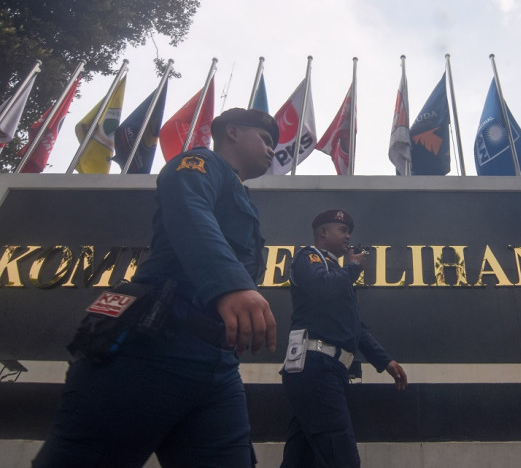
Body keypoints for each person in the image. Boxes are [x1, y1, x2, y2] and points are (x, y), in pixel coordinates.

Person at [33, 108, 279, 468]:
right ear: (233, 133)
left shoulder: (241, 196)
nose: (273, 150)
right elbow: (189, 208)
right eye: (266, 139)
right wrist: (231, 285)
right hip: (151, 345)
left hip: (217, 366)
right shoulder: (197, 164)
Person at [280, 209, 408, 468]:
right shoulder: (309, 257)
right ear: (323, 233)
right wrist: (353, 268)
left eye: (349, 231)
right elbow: (320, 287)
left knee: (300, 457)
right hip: (316, 366)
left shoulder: (338, 274)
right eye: (343, 230)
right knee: (341, 455)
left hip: (330, 371)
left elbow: (355, 328)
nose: (349, 236)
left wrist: (385, 361)